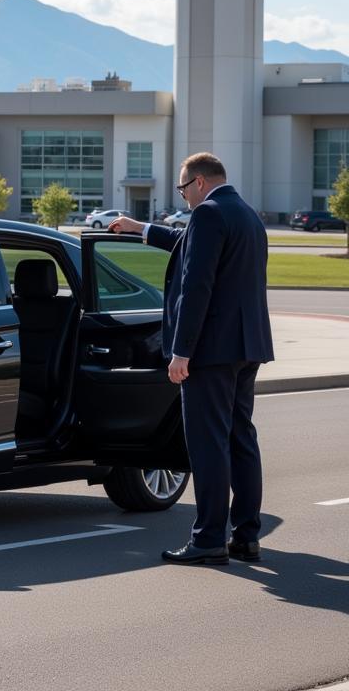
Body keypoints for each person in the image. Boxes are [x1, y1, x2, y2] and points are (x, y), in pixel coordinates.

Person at [108, 152, 273, 566]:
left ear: (198, 182)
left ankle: (209, 539)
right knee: (240, 438)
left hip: (210, 351)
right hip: (246, 346)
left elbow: (195, 286)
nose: (183, 198)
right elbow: (188, 248)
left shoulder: (208, 215)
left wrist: (181, 352)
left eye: (183, 189)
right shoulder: (247, 215)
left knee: (208, 445)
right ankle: (247, 535)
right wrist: (139, 228)